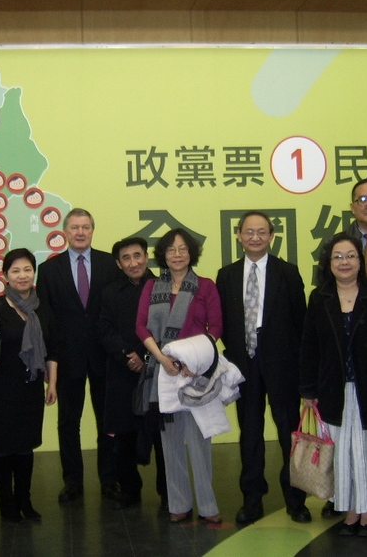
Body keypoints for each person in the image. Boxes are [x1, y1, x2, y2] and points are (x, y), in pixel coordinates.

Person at [299, 232, 367, 537]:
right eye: (337, 257)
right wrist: (308, 390)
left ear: (361, 261)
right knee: (343, 453)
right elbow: (309, 346)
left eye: (350, 256)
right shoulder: (319, 297)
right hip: (335, 391)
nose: (344, 262)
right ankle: (350, 510)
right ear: (328, 263)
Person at [216, 211, 310, 526]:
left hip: (283, 366)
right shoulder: (226, 275)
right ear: (239, 236)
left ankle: (296, 499)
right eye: (249, 232)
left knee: (289, 434)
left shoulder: (288, 272)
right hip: (244, 365)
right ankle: (252, 499)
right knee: (250, 434)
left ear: (271, 236)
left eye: (261, 232)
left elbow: (301, 323)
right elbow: (224, 322)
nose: (255, 237)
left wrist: (301, 367)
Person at [135, 228, 224, 524]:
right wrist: (162, 358)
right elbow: (141, 328)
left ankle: (208, 506)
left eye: (183, 249)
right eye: (171, 250)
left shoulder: (206, 286)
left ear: (192, 254)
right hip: (164, 373)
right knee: (170, 442)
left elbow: (216, 329)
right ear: (163, 254)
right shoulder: (151, 287)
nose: (177, 254)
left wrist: (193, 361)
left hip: (196, 372)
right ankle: (179, 504)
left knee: (200, 442)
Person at [0, 248, 58, 522]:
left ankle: (24, 501)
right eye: (15, 270)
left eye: (27, 269)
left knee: (25, 448)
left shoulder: (42, 309)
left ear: (33, 273)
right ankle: (7, 502)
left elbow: (52, 350)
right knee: (3, 449)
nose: (22, 275)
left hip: (29, 388)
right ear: (5, 276)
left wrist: (52, 383)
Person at [35, 208, 120, 502]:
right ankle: (72, 481)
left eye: (85, 227)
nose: (80, 232)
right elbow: (46, 318)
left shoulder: (110, 264)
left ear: (93, 230)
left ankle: (109, 479)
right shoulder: (48, 270)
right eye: (74, 227)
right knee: (68, 423)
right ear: (65, 232)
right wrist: (50, 361)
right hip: (67, 357)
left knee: (107, 422)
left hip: (104, 355)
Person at [98, 237, 167, 511]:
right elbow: (103, 329)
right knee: (124, 437)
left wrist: (145, 355)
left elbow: (166, 328)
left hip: (158, 372)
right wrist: (129, 355)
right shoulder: (110, 292)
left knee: (162, 436)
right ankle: (130, 490)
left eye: (137, 256)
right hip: (122, 371)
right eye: (126, 258)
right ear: (118, 263)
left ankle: (167, 493)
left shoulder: (163, 287)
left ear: (146, 257)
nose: (133, 262)